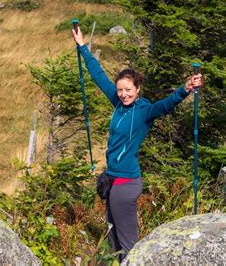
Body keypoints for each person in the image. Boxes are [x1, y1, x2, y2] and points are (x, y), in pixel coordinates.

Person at [72, 24, 202, 261]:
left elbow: (165, 105)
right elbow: (99, 75)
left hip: (126, 182)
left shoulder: (144, 111)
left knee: (128, 241)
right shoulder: (119, 105)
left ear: (138, 89)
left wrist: (185, 89)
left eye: (128, 90)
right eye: (121, 90)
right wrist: (83, 48)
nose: (123, 94)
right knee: (113, 238)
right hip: (112, 179)